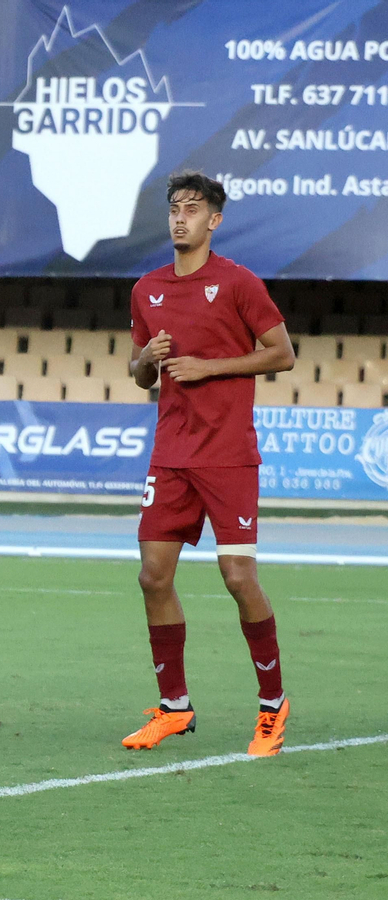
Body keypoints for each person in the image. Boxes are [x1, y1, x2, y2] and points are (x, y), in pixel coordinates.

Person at [123, 172, 295, 756]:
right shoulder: (147, 289)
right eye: (175, 208)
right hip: (171, 453)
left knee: (239, 577)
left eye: (193, 209)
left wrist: (208, 367)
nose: (181, 217)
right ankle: (174, 707)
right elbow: (138, 373)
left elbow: (283, 354)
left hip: (227, 455)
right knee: (153, 577)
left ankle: (272, 705)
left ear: (214, 221)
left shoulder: (239, 283)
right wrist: (146, 360)